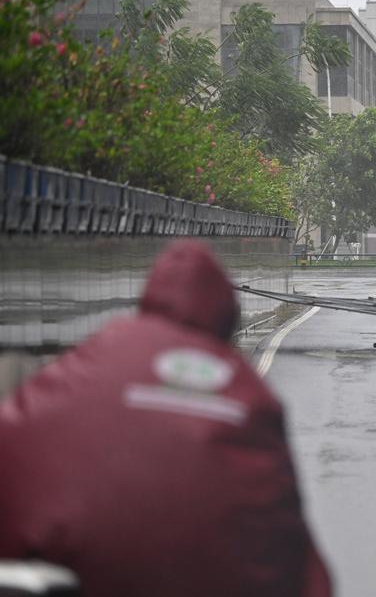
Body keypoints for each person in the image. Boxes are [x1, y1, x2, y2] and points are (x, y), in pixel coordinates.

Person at [0, 239, 331, 597]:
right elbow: (291, 545)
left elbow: (22, 432)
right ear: (226, 319)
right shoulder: (247, 391)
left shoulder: (102, 349)